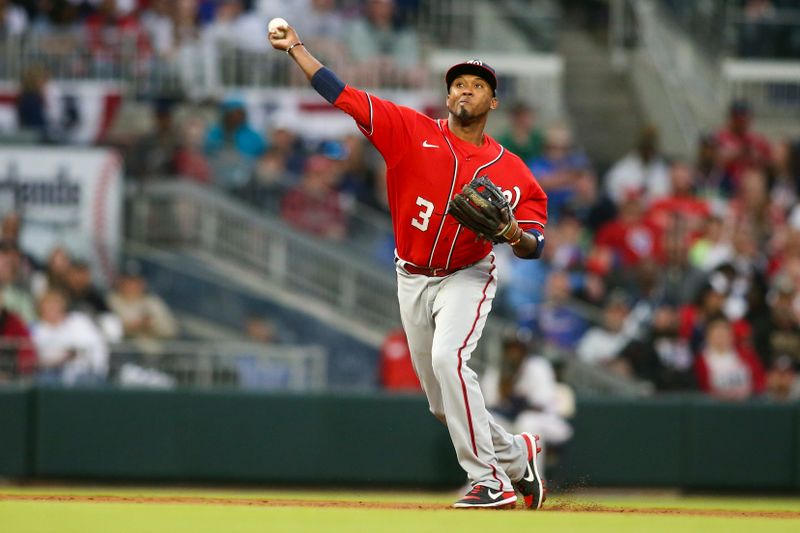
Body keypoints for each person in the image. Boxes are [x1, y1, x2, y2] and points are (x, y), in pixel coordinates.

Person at [269, 26, 548, 509]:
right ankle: (516, 456)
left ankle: (490, 480)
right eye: (459, 83)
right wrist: (296, 48)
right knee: (442, 404)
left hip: (468, 274)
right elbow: (341, 94)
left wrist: (510, 235)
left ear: (493, 103)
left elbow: (535, 244)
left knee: (448, 361)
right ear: (447, 95)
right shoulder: (409, 129)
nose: (466, 89)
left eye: (478, 85)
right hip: (411, 275)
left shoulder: (513, 171)